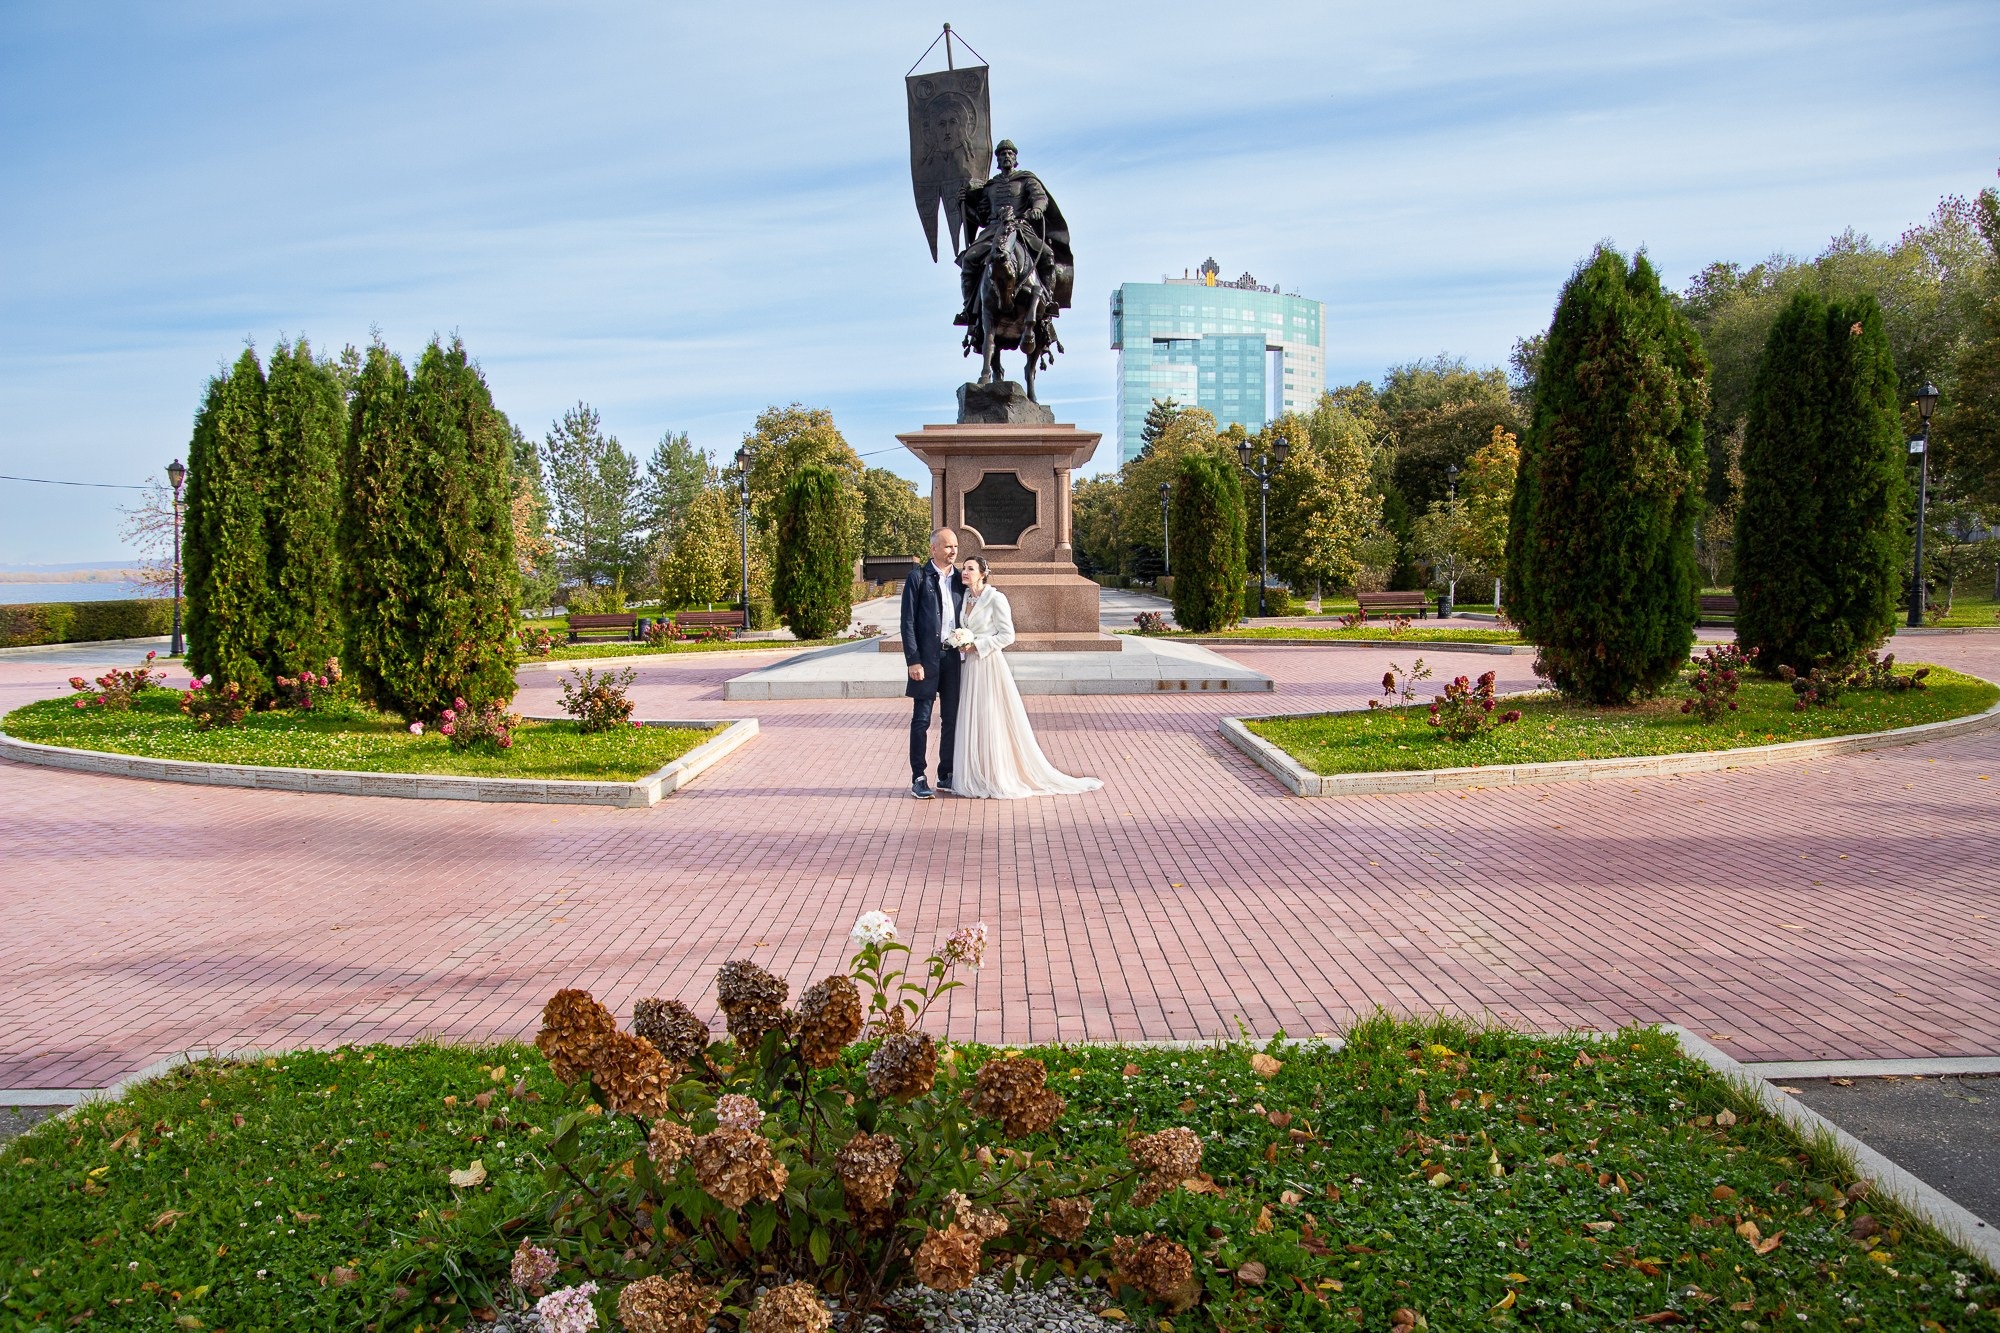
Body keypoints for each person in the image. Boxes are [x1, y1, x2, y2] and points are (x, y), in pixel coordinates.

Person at [948, 556, 1102, 799]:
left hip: (988, 665)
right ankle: (976, 773)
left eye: (970, 569)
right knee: (972, 717)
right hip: (969, 667)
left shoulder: (996, 598)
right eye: (963, 568)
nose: (964, 572)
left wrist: (976, 645)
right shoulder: (965, 598)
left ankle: (997, 774)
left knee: (990, 717)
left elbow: (1008, 635)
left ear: (983, 573)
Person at [901, 527, 965, 799]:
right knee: (922, 719)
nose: (953, 551)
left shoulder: (962, 580)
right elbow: (907, 623)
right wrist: (913, 660)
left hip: (953, 658)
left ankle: (945, 773)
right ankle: (919, 776)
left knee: (951, 718)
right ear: (933, 549)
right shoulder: (918, 578)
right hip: (926, 660)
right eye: (948, 546)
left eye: (955, 547)